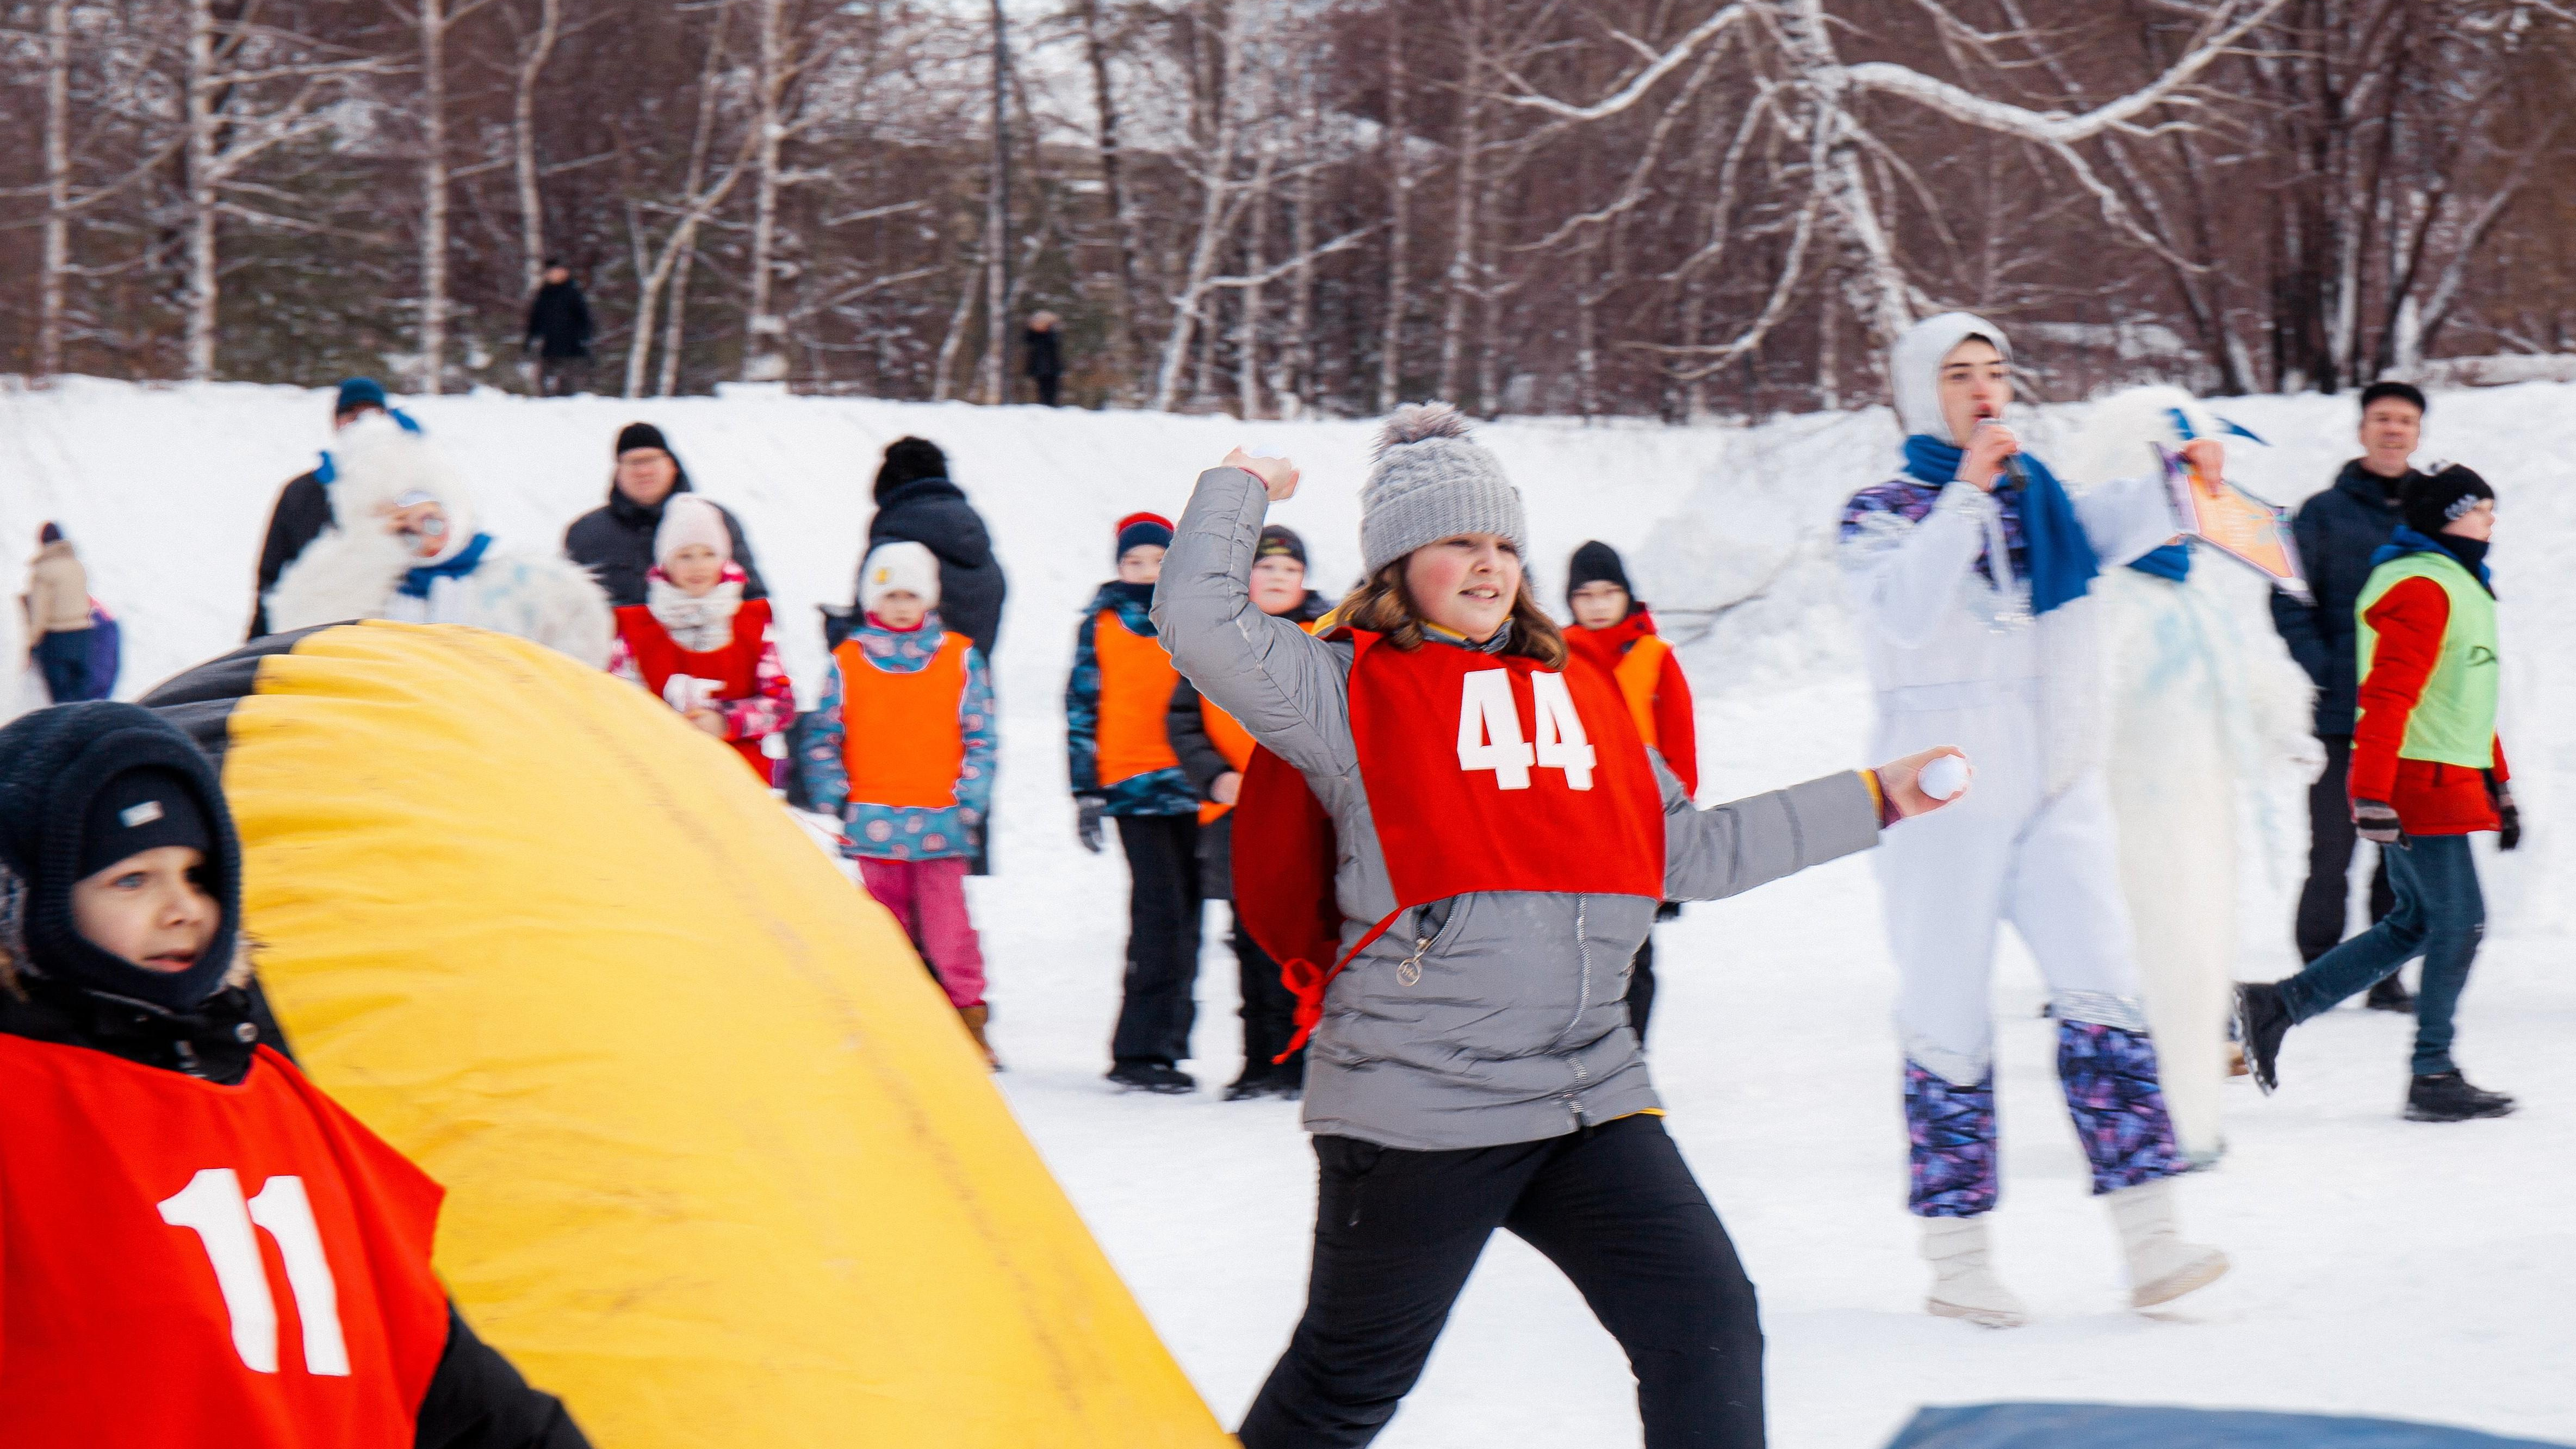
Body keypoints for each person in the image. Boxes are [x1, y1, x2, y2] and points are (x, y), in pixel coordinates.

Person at [1158, 403, 1954, 1449]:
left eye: (1502, 546)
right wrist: (1240, 485)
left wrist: (1874, 798)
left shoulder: (1581, 696)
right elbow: (1200, 622)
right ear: (1397, 566)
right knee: (1346, 1385)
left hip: (1588, 1092)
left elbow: (1691, 852)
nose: (1489, 568)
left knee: (1706, 1326)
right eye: (1458, 544)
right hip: (1419, 1107)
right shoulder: (1341, 692)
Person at [0, 700, 588, 1448]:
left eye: (197, 874)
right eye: (131, 879)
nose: (181, 908)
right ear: (24, 904)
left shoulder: (281, 1103)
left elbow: (447, 1383)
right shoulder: (19, 1110)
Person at [1838, 313, 2229, 1329]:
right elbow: (1904, 611)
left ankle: (2151, 1242)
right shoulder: (1878, 511)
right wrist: (1963, 491)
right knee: (1946, 1019)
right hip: (1938, 792)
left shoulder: (2041, 500)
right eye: (1958, 375)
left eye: (1994, 373)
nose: (1982, 391)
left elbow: (2122, 520)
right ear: (1920, 393)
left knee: (2104, 994)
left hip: (2053, 786)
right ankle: (1955, 1255)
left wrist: (2181, 477)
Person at [2060, 386, 2323, 1166]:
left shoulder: (2193, 597)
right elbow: (2082, 700)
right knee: (2141, 968)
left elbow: (2242, 670)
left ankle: (2190, 1118)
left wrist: (2283, 726)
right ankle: (2147, 1123)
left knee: (2200, 959)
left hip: (2200, 811)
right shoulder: (2112, 601)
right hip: (2130, 819)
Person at [2237, 465, 2517, 1123]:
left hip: (2443, 774)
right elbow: (2388, 696)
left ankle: (2277, 1005)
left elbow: (2467, 702)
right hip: (2419, 781)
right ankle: (2433, 1070)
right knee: (2461, 923)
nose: (2490, 520)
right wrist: (2369, 789)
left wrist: (2499, 785)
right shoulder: (2422, 584)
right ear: (2448, 516)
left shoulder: (2460, 583)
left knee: (2415, 923)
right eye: (2480, 508)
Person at [798, 543, 999, 1067]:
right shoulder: (846, 661)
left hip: (942, 821)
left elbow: (981, 734)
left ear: (929, 598)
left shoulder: (959, 656)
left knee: (949, 929)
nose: (902, 605)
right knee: (886, 931)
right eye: (891, 595)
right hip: (873, 821)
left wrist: (969, 798)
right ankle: (896, 1023)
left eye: (912, 594)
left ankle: (967, 1021)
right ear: (872, 601)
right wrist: (834, 794)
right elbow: (824, 735)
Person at [2270, 381, 2430, 1011]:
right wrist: (2329, 668)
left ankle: (2382, 976)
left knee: (2398, 854)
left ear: (2418, 434)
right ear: (2363, 429)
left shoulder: (2431, 514)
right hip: (2343, 713)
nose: (2394, 430)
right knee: (2332, 849)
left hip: (2413, 716)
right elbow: (2287, 594)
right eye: (2383, 419)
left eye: (2406, 421)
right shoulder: (2321, 513)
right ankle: (2318, 973)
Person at [1165, 524, 1330, 1101]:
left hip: (1310, 817)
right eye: (1268, 568)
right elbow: (1182, 720)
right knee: (1250, 938)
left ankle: (1306, 1058)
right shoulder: (1216, 639)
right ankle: (1259, 1060)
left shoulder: (1330, 638)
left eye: (1290, 569)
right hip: (1237, 817)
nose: (1279, 577)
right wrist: (1214, 775)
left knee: (1305, 940)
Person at [267, 415, 614, 668]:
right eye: (402, 526)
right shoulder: (358, 592)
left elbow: (583, 628)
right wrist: (369, 554)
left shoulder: (518, 583)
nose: (423, 534)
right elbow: (297, 642)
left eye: (431, 518)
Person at [1070, 512, 1204, 1094]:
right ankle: (1139, 1048)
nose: (1147, 573)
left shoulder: (1196, 617)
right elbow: (1081, 707)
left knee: (1191, 916)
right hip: (1132, 786)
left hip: (1197, 783)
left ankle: (1169, 1046)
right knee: (1160, 915)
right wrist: (1085, 789)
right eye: (1134, 563)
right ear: (1118, 567)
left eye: (1157, 561)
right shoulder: (1100, 625)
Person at [1562, 539, 1697, 1041]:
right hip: (1576, 828)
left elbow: (1681, 754)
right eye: (1586, 594)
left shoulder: (1655, 658)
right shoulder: (1552, 657)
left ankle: (1628, 1056)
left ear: (1627, 595)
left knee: (1633, 954)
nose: (1597, 604)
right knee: (1574, 954)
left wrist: (1678, 836)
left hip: (1641, 829)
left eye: (1608, 592)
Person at [605, 494, 792, 782]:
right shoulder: (634, 629)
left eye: (709, 554)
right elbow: (617, 704)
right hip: (661, 777)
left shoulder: (752, 623)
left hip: (740, 778)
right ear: (666, 562)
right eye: (685, 555)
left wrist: (726, 721)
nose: (698, 566)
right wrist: (667, 726)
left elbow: (781, 704)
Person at [250, 377, 395, 639]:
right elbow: (272, 576)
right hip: (312, 636)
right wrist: (257, 645)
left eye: (372, 412)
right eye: (350, 413)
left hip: (384, 639)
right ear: (336, 422)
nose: (361, 421)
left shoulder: (406, 489)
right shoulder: (301, 491)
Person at [563, 423, 767, 610]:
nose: (643, 471)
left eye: (652, 460)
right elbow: (566, 610)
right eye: (632, 462)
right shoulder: (586, 533)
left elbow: (753, 600)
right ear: (617, 472)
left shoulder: (714, 520)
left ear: (673, 466)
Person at [859, 436, 1007, 660]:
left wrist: (839, 632)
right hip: (967, 683)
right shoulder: (971, 533)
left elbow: (869, 611)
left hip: (901, 681)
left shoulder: (897, 535)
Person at [22, 523, 96, 703]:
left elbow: (40, 613)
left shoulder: (43, 571)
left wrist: (30, 643)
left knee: (61, 700)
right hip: (83, 635)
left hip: (57, 638)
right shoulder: (77, 566)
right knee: (79, 695)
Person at [523, 260, 594, 397]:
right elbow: (536, 320)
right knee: (546, 382)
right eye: (551, 272)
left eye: (558, 272)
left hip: (571, 345)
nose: (555, 275)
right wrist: (531, 339)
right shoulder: (544, 294)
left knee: (568, 385)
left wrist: (584, 338)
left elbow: (584, 318)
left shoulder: (573, 293)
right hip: (549, 345)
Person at [1025, 310, 1064, 407]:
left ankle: (1051, 405)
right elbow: (1028, 340)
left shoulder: (1052, 334)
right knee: (1043, 388)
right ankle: (1046, 406)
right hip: (1041, 366)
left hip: (1051, 367)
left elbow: (1054, 343)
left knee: (1052, 388)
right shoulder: (1034, 335)